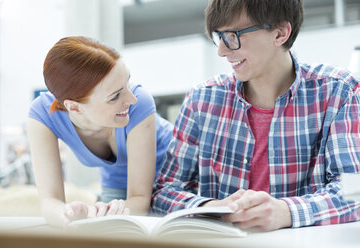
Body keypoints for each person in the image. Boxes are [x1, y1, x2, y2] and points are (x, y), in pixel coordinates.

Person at [152, 0, 360, 231]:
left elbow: (354, 194)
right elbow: (164, 191)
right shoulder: (202, 100)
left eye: (232, 36)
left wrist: (285, 212)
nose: (221, 51)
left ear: (280, 33)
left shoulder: (339, 91)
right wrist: (212, 207)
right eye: (218, 36)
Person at [27, 36, 173, 227]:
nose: (132, 99)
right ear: (75, 108)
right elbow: (49, 202)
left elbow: (140, 199)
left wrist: (101, 214)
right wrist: (70, 215)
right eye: (115, 97)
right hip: (116, 181)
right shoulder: (42, 115)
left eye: (127, 84)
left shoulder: (140, 102)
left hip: (173, 174)